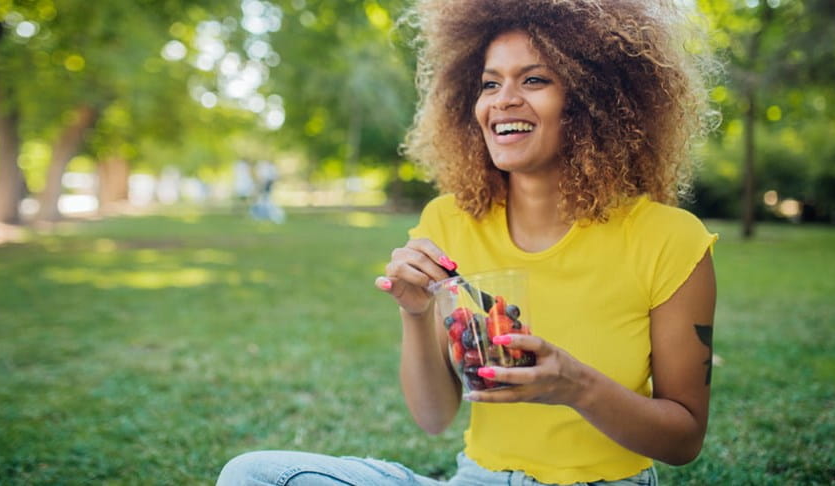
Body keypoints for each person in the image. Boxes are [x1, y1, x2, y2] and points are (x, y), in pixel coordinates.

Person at [217, 0, 717, 484]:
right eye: (489, 83)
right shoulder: (449, 222)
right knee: (253, 475)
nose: (503, 100)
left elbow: (683, 440)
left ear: (595, 98)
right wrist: (414, 313)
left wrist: (575, 386)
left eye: (535, 79)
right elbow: (434, 417)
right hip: (477, 479)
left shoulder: (669, 239)